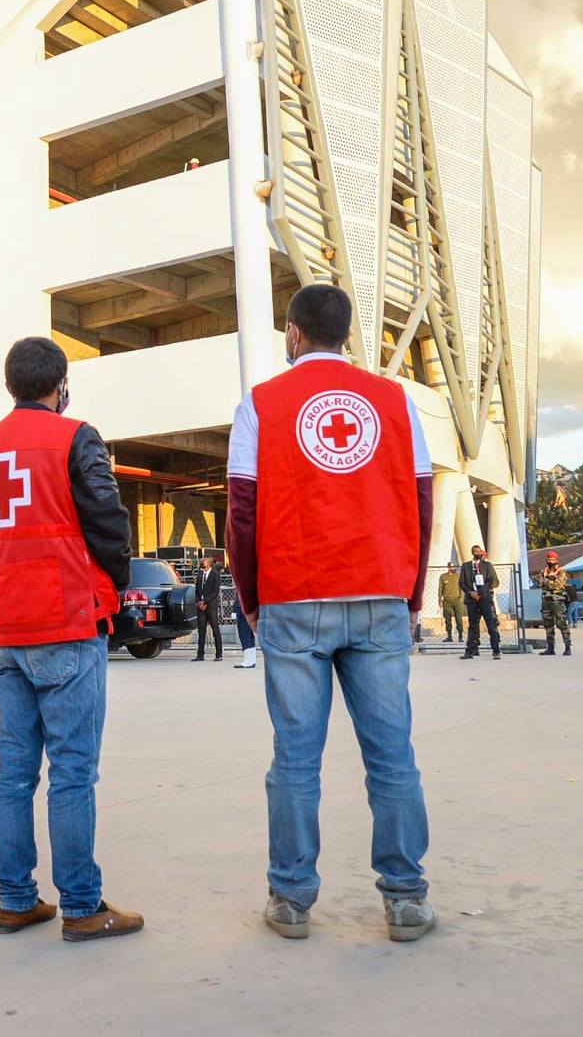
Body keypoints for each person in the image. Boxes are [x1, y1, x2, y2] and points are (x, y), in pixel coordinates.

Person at [226, 283, 436, 944]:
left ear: (293, 333)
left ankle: (291, 899)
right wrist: (411, 594)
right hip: (377, 592)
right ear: (346, 334)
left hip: (294, 593)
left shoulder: (260, 403)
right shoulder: (397, 402)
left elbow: (241, 512)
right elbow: (424, 502)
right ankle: (405, 897)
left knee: (294, 756)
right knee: (392, 755)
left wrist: (250, 600)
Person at [0, 335, 141, 942]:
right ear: (60, 385)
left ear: (10, 384)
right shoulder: (76, 437)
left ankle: (15, 900)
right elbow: (108, 520)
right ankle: (82, 907)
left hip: (6, 628)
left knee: (13, 772)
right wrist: (115, 582)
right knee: (72, 772)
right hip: (67, 621)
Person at [458, 546, 500, 660]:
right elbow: (461, 582)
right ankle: (470, 651)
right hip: (471, 599)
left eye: (479, 551)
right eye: (475, 552)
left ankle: (496, 650)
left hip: (484, 598)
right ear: (472, 552)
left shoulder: (487, 565)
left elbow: (491, 580)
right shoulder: (466, 566)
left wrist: (481, 592)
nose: (477, 553)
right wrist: (471, 592)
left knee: (490, 624)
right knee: (472, 626)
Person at [536, 551, 571, 656]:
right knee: (548, 625)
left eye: (552, 559)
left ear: (556, 560)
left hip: (558, 601)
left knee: (562, 624)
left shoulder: (561, 571)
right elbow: (538, 583)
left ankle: (567, 646)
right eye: (548, 559)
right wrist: (549, 580)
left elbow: (558, 585)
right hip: (546, 601)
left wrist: (546, 581)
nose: (550, 561)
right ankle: (550, 648)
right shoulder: (544, 571)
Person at [192, 555, 224, 663]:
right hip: (201, 607)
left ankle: (219, 654)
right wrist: (198, 602)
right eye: (202, 560)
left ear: (209, 562)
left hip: (211, 607)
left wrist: (204, 601)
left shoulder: (215, 574)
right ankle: (200, 655)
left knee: (215, 630)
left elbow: (215, 592)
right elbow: (196, 590)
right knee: (201, 631)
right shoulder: (200, 574)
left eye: (204, 560)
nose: (202, 561)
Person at [439, 565, 465, 644]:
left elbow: (462, 587)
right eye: (452, 567)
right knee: (447, 618)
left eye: (455, 567)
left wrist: (461, 597)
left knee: (459, 618)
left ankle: (460, 635)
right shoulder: (443, 576)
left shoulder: (458, 576)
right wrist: (440, 599)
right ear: (449, 568)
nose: (454, 569)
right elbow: (440, 589)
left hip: (457, 600)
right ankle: (449, 636)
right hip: (447, 600)